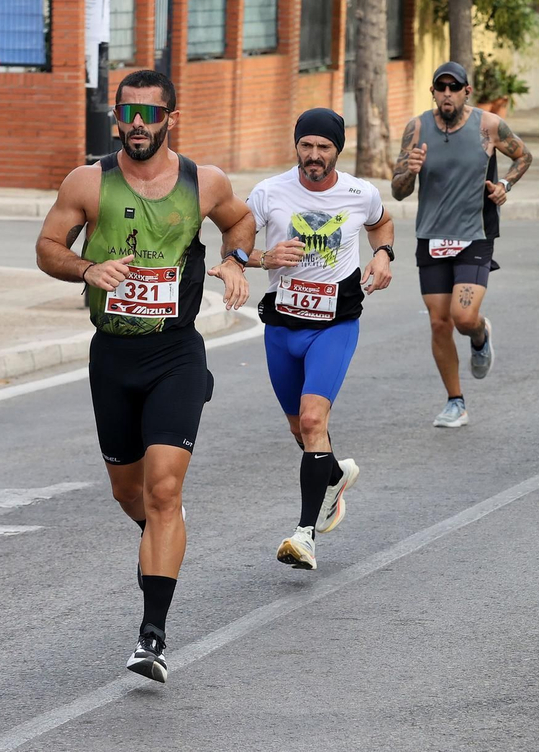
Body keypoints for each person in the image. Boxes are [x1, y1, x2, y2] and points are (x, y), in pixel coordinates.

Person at [33, 69, 254, 683]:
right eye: (126, 114)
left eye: (148, 115)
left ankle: (152, 635)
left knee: (162, 490)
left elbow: (240, 222)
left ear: (170, 119)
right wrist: (85, 269)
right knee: (129, 493)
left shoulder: (203, 183)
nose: (136, 126)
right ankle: (165, 533)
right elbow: (48, 245)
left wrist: (235, 261)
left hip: (176, 353)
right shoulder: (87, 181)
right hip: (113, 357)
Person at [244, 109, 393, 571]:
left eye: (323, 147)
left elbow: (382, 223)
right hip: (281, 325)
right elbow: (235, 243)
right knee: (301, 430)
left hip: (335, 323)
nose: (313, 155)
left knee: (313, 420)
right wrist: (260, 257)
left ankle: (305, 534)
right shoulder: (268, 192)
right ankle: (334, 474)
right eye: (306, 146)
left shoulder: (359, 193)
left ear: (337, 150)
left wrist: (383, 255)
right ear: (296, 147)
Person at [393, 61, 533, 429]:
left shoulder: (487, 126)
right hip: (431, 235)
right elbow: (398, 190)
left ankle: (480, 333)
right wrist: (411, 168)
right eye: (441, 88)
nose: (447, 94)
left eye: (454, 88)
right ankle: (456, 401)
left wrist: (505, 185)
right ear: (434, 93)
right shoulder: (418, 128)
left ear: (466, 92)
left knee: (463, 317)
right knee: (440, 324)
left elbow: (523, 156)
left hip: (475, 233)